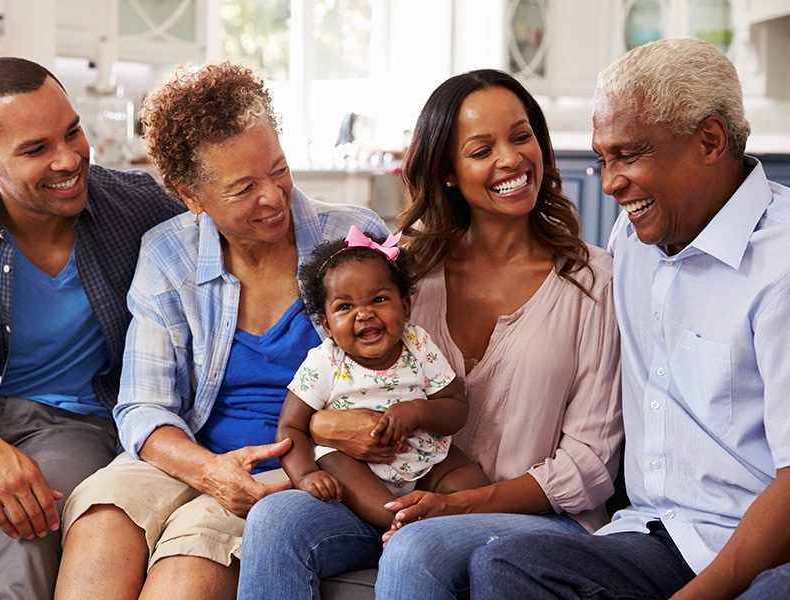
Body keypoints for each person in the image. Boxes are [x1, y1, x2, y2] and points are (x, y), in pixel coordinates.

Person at [238, 68, 623, 600]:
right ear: (447, 171)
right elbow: (338, 379)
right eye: (481, 149)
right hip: (404, 498)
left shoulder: (593, 284)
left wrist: (452, 507)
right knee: (278, 517)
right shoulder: (406, 268)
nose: (510, 160)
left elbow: (591, 467)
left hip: (533, 517)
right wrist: (327, 427)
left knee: (418, 546)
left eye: (521, 136)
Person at [468, 38, 790, 600]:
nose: (610, 181)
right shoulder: (635, 239)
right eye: (602, 158)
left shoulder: (780, 267)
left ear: (710, 140)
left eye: (629, 154)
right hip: (655, 535)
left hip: (764, 550)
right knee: (507, 567)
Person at [54, 61, 388, 600]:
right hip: (192, 451)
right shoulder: (168, 254)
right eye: (243, 188)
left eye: (278, 169)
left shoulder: (351, 239)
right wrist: (209, 470)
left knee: (191, 555)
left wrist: (319, 431)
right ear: (191, 194)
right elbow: (143, 407)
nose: (274, 197)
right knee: (104, 517)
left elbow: (396, 380)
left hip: (298, 467)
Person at [0, 57, 183, 599]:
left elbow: (235, 225)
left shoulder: (139, 208)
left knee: (32, 513)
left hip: (78, 424)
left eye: (71, 131)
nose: (69, 159)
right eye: (35, 149)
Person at [279, 225, 489, 528]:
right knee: (340, 464)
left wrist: (418, 411)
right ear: (327, 325)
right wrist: (306, 474)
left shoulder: (418, 345)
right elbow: (290, 428)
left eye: (378, 300)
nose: (364, 314)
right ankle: (398, 524)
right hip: (357, 466)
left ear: (404, 307)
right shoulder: (326, 361)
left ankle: (436, 523)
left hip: (427, 458)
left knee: (474, 484)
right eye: (345, 306)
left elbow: (456, 407)